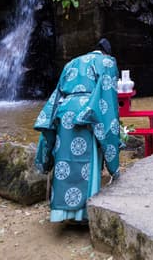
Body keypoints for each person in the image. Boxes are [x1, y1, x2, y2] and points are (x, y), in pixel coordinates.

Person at [34, 37, 120, 224]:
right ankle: (84, 213)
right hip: (88, 111)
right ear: (107, 52)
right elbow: (108, 99)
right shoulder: (108, 62)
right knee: (87, 160)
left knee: (64, 158)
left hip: (64, 112)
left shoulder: (71, 62)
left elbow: (58, 93)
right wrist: (113, 146)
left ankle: (62, 213)